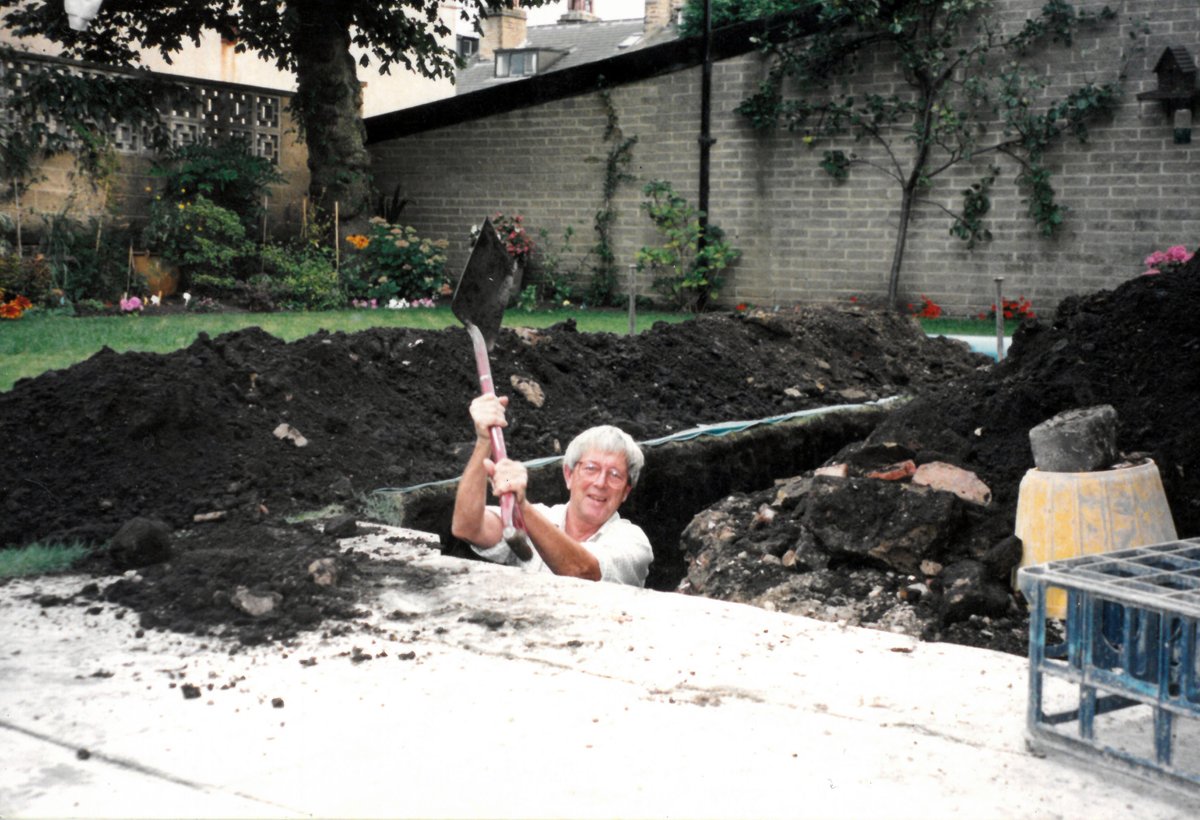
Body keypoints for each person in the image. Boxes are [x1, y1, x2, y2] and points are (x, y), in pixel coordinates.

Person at [451, 393, 652, 587]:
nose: (600, 482)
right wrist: (484, 441)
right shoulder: (542, 516)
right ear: (569, 475)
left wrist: (522, 507)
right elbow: (467, 527)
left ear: (626, 492)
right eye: (591, 468)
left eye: (615, 475)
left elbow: (582, 571)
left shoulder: (632, 542)